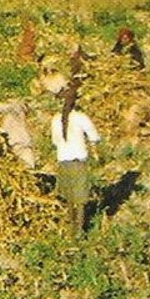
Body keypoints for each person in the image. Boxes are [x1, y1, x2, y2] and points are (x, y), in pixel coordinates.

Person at [51, 86, 101, 236]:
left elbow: (54, 141)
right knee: (80, 199)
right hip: (78, 161)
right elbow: (95, 136)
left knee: (69, 197)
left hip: (63, 161)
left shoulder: (55, 120)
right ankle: (78, 231)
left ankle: (70, 228)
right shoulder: (80, 117)